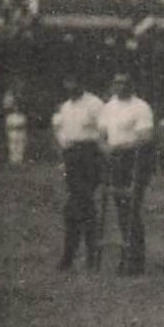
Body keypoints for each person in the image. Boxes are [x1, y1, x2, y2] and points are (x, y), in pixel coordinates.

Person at [99, 71, 155, 276]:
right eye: (116, 82)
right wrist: (105, 148)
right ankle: (128, 255)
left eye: (124, 83)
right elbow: (102, 135)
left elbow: (146, 137)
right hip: (114, 161)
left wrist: (121, 147)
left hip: (135, 161)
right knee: (121, 210)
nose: (120, 86)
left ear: (131, 85)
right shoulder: (108, 107)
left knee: (131, 209)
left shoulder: (141, 107)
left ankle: (134, 259)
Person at [52, 76, 106, 270]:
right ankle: (85, 255)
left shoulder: (94, 104)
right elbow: (62, 134)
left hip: (90, 155)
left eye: (74, 81)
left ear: (82, 82)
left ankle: (73, 256)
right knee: (81, 205)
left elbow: (104, 131)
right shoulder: (66, 107)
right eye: (67, 81)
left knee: (78, 204)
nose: (71, 85)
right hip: (72, 156)